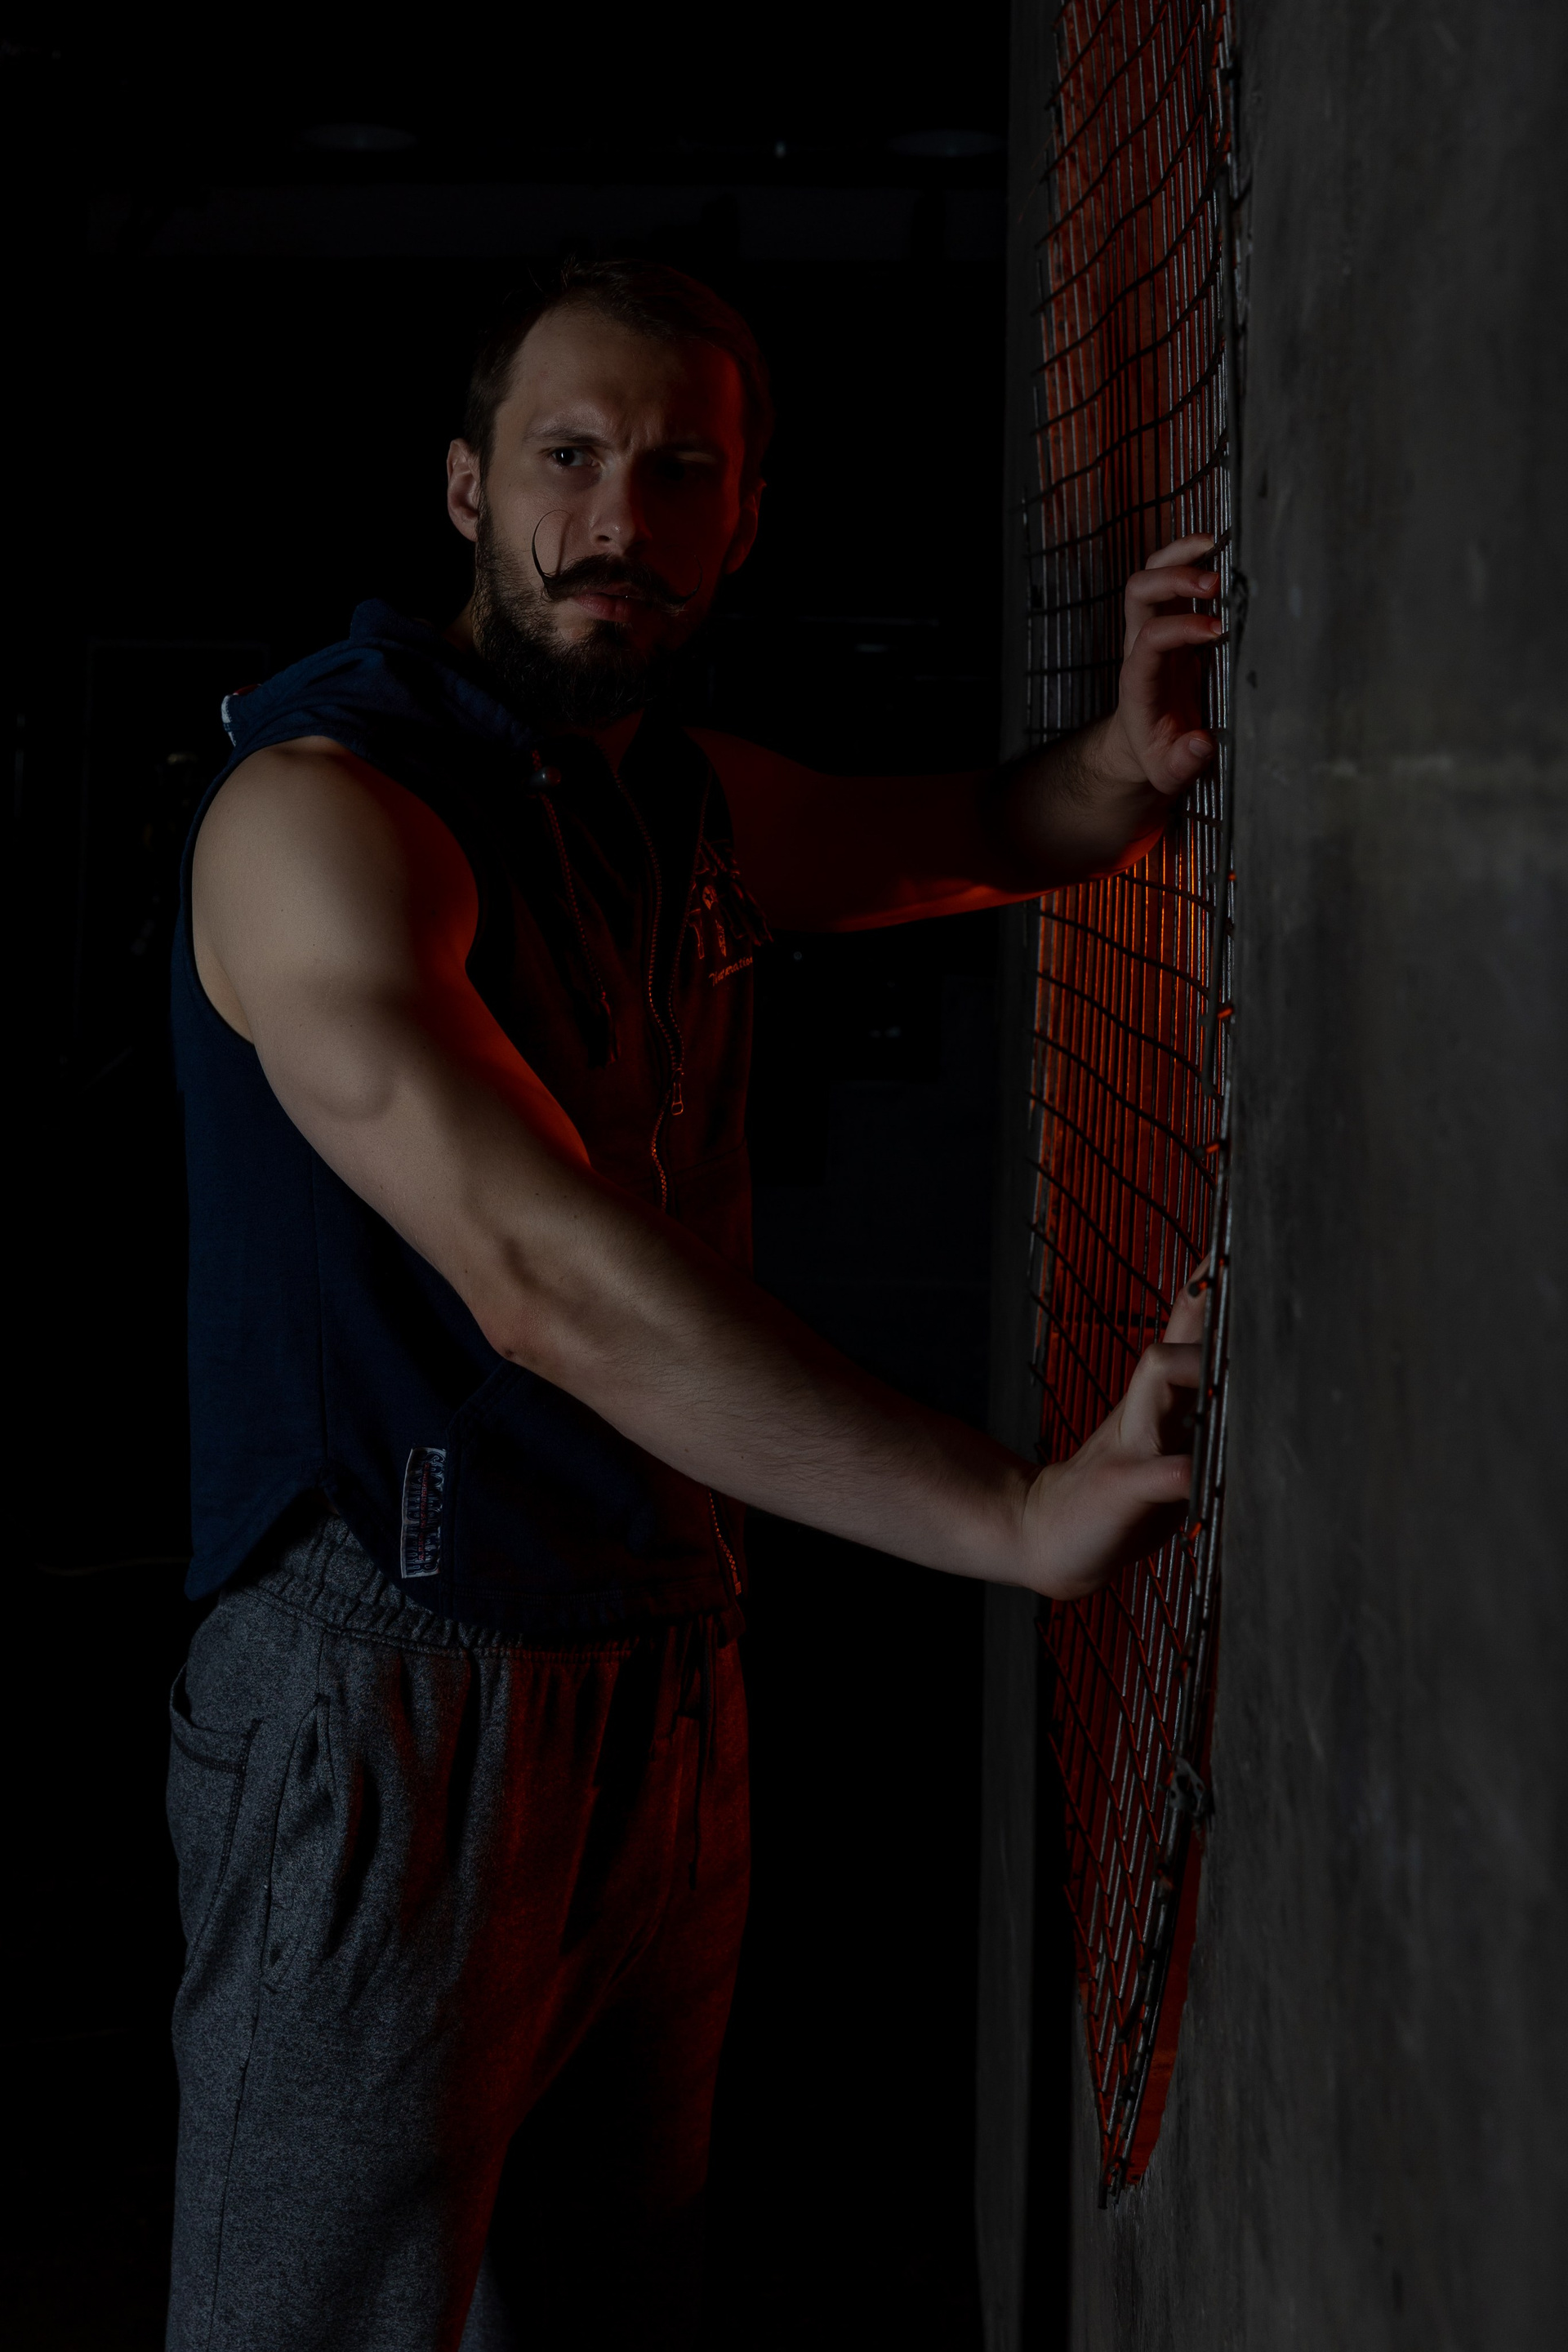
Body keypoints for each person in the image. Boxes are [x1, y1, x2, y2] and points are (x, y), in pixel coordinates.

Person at [164, 256, 1223, 2352]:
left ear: (742, 523)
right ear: (466, 490)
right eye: (567, 458)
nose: (617, 519)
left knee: (607, 2310)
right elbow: (537, 1274)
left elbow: (969, 833)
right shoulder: (325, 814)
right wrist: (1008, 1514)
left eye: (678, 474)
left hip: (662, 1657)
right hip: (396, 1677)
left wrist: (1125, 751)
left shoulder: (670, 799)